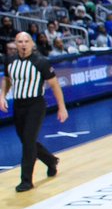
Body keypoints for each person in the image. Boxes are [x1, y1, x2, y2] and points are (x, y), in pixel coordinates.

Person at [1, 32, 67, 192]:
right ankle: (51, 161)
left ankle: (26, 180)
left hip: (35, 105)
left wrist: (62, 107)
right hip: (18, 105)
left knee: (29, 142)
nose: (23, 44)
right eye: (20, 41)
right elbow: (8, 80)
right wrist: (2, 95)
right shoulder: (10, 61)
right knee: (26, 141)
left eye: (26, 41)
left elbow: (55, 85)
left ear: (32, 43)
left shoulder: (41, 62)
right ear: (15, 44)